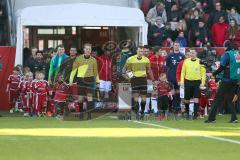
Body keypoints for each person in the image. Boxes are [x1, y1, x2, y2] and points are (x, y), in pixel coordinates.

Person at [205, 42, 239, 123]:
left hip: (227, 80)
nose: (224, 48)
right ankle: (234, 118)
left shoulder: (227, 54)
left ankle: (211, 119)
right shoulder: (237, 54)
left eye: (224, 47)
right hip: (235, 79)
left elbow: (221, 68)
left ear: (227, 47)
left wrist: (212, 74)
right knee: (229, 99)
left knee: (217, 98)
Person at [123, 46, 154, 120]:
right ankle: (137, 114)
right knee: (135, 99)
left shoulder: (146, 59)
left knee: (144, 99)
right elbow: (125, 69)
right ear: (136, 51)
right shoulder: (130, 59)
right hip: (135, 80)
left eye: (142, 51)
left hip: (143, 80)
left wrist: (153, 79)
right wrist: (130, 77)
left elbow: (149, 70)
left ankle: (142, 112)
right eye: (139, 51)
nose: (141, 53)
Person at [69, 43, 99, 120]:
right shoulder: (78, 59)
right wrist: (71, 80)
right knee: (80, 99)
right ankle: (81, 114)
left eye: (89, 49)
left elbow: (95, 72)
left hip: (90, 79)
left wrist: (97, 82)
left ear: (91, 50)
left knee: (90, 97)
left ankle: (89, 116)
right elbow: (73, 70)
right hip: (80, 80)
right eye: (87, 49)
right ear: (84, 49)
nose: (88, 50)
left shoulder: (93, 60)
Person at [180, 48, 206, 119]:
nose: (192, 54)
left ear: (196, 53)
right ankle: (187, 113)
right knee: (186, 99)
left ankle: (195, 115)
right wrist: (182, 82)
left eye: (193, 53)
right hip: (187, 82)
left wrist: (202, 83)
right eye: (190, 53)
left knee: (196, 98)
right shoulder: (186, 61)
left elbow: (203, 73)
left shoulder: (200, 61)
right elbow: (182, 72)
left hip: (197, 82)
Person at [166, 41, 185, 113]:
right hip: (171, 76)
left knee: (178, 92)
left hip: (179, 77)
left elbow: (184, 67)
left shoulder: (182, 56)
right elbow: (167, 66)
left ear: (179, 47)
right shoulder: (169, 56)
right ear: (173, 46)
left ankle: (177, 107)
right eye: (175, 45)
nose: (176, 46)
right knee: (171, 92)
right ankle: (170, 107)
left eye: (178, 45)